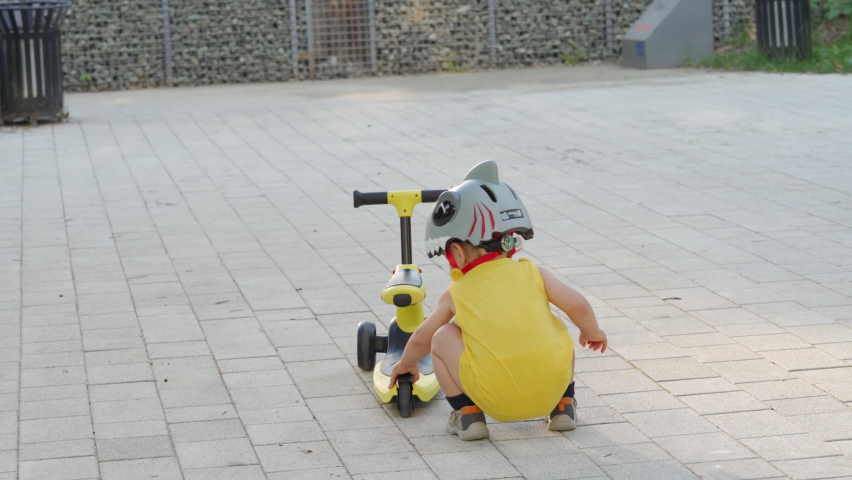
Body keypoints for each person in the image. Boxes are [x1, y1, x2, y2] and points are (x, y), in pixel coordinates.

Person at [389, 160, 608, 440]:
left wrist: (406, 364)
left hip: (495, 401)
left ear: (457, 252)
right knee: (556, 329)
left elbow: (422, 337)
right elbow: (577, 305)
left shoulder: (456, 292)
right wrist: (592, 331)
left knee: (443, 335)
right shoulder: (535, 273)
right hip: (549, 389)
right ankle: (564, 406)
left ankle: (467, 416)